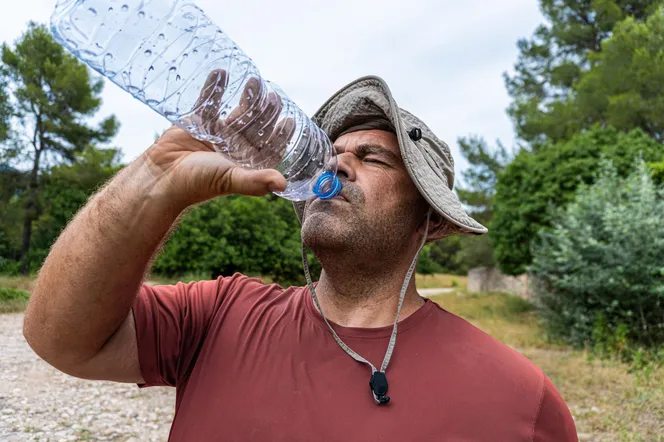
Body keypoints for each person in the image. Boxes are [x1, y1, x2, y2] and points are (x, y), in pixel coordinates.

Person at [23, 75, 578, 441]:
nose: (337, 165)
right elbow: (58, 337)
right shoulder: (221, 314)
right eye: (332, 153)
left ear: (429, 219)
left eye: (372, 157)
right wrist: (157, 177)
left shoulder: (520, 401)